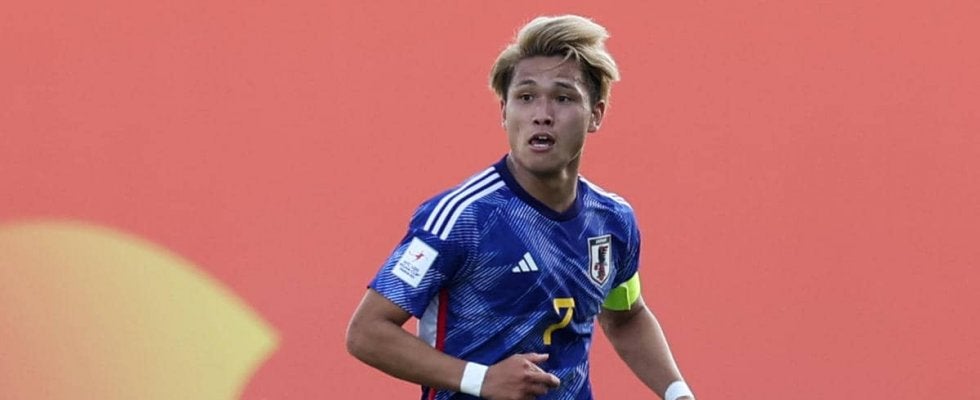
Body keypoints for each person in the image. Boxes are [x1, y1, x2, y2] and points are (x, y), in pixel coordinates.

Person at [346, 15, 695, 400]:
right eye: (526, 97)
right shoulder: (463, 217)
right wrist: (480, 379)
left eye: (563, 98)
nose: (541, 114)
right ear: (504, 111)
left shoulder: (612, 220)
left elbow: (626, 316)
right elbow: (367, 332)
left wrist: (677, 393)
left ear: (595, 114)